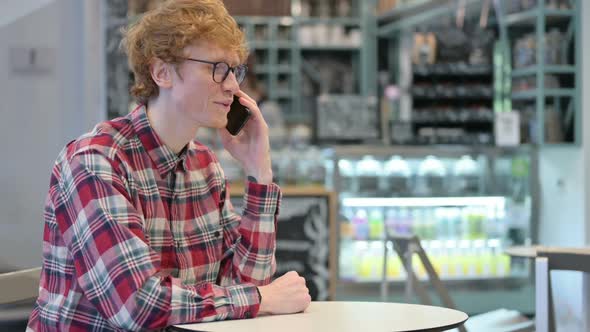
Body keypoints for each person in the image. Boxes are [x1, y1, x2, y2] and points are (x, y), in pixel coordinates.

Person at [26, 0, 311, 330]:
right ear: (161, 72)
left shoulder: (205, 166)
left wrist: (259, 172)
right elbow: (137, 306)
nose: (233, 85)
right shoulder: (96, 161)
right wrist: (262, 299)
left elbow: (246, 282)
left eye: (235, 70)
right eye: (217, 68)